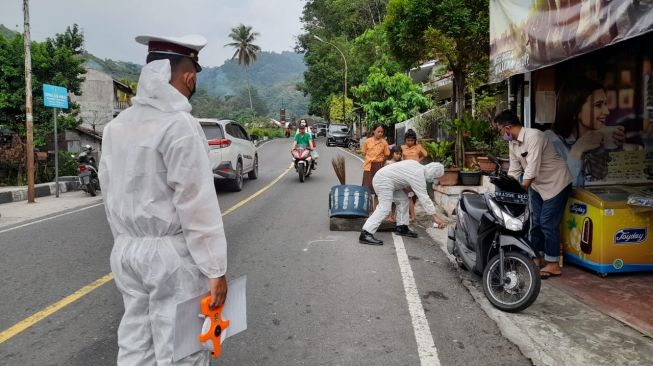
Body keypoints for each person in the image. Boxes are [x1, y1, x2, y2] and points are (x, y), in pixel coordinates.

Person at [99, 34, 228, 365]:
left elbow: (109, 190)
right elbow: (196, 203)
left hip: (127, 249)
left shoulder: (116, 127)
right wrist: (216, 269)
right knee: (182, 350)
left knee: (135, 343)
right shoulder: (179, 125)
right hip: (170, 257)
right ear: (189, 76)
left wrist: (126, 242)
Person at [494, 110, 573, 278]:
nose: (501, 134)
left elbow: (532, 168)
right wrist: (507, 188)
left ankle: (553, 264)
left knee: (547, 223)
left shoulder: (535, 136)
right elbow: (514, 169)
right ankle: (536, 259)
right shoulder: (513, 142)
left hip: (556, 183)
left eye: (500, 130)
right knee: (535, 222)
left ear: (507, 127)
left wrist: (521, 188)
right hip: (537, 186)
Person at [549, 77, 625, 186]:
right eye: (598, 105)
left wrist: (617, 151)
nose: (607, 111)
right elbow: (558, 190)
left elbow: (608, 182)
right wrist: (577, 151)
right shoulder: (551, 142)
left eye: (605, 104)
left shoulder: (600, 141)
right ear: (575, 110)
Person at [359, 160, 448, 245]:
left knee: (403, 200)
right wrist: (435, 217)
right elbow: (424, 198)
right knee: (384, 207)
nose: (433, 180)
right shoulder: (418, 175)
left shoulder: (416, 165)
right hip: (383, 181)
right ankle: (366, 233)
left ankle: (402, 227)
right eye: (435, 178)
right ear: (432, 174)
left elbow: (401, 177)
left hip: (388, 180)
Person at [401, 129, 428, 222]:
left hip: (416, 172)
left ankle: (411, 212)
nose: (410, 142)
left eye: (412, 140)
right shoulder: (402, 148)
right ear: (405, 140)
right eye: (408, 140)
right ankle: (408, 213)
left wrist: (418, 161)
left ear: (414, 140)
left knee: (415, 192)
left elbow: (425, 154)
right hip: (405, 172)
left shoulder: (418, 147)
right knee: (407, 192)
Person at [362, 124, 390, 211]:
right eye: (378, 131)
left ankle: (377, 208)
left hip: (379, 166)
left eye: (382, 132)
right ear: (374, 131)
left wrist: (381, 164)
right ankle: (366, 207)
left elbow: (386, 155)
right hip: (368, 166)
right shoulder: (367, 141)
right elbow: (364, 152)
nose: (380, 133)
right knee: (366, 186)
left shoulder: (384, 143)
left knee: (378, 187)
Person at [385, 146, 403, 222]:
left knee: (395, 202)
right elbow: (384, 173)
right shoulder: (388, 162)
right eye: (396, 153)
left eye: (400, 154)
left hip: (397, 185)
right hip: (389, 184)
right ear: (392, 154)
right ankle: (389, 216)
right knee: (389, 201)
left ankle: (393, 216)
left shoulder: (401, 163)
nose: (398, 155)